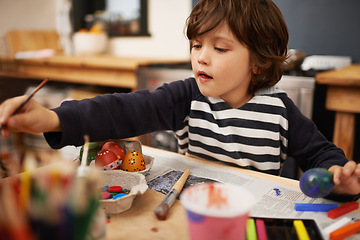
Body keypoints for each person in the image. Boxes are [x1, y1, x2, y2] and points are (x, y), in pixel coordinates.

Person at [0, 0, 359, 200]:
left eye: (219, 48)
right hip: (190, 211)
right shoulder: (187, 96)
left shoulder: (280, 109)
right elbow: (122, 111)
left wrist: (337, 176)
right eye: (196, 45)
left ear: (259, 62)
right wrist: (51, 118)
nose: (201, 57)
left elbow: (323, 155)